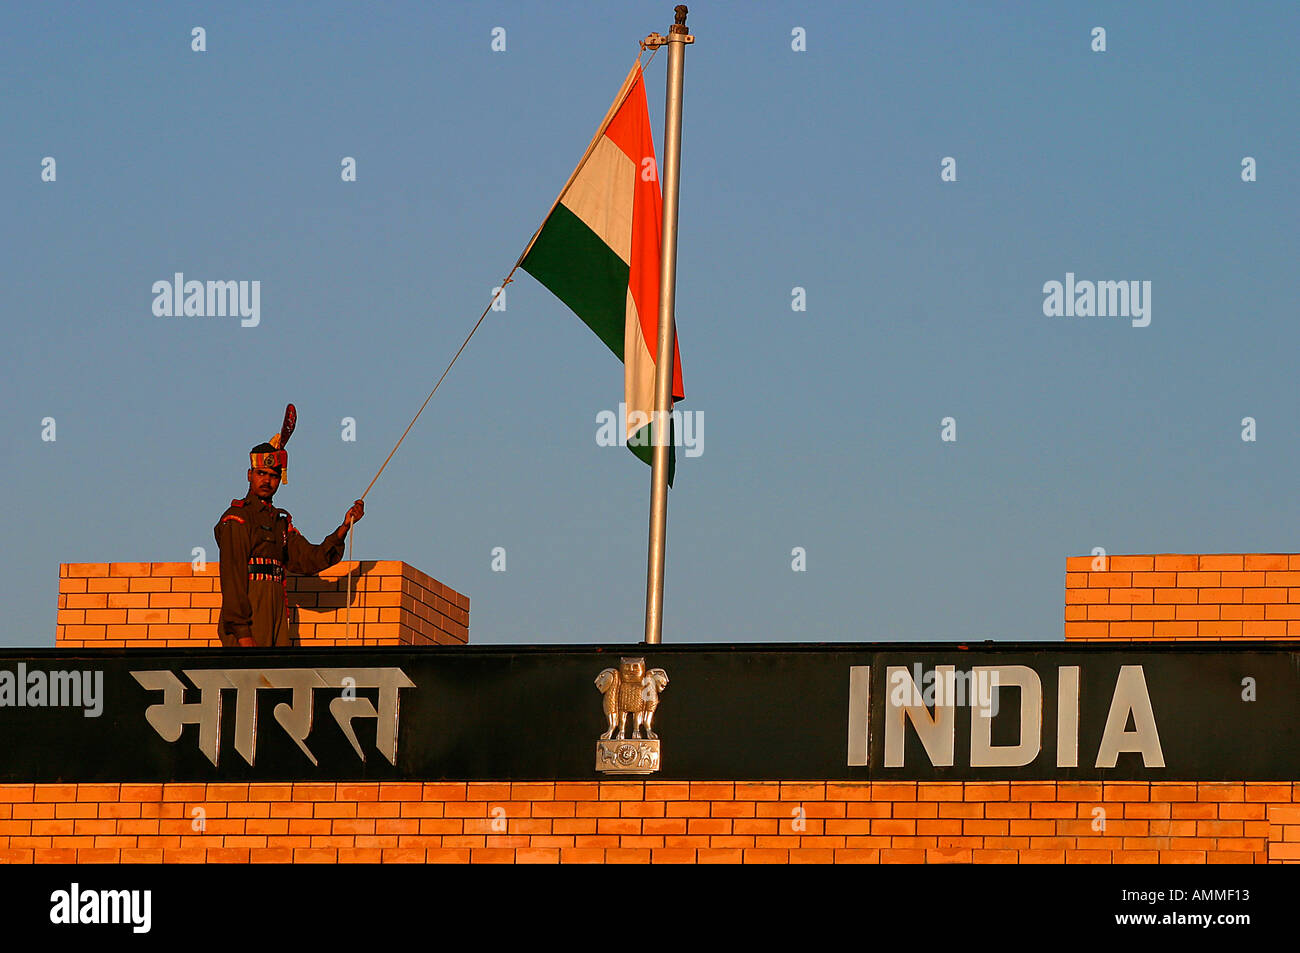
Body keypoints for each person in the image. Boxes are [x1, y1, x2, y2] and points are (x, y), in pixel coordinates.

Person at [214, 412, 364, 647]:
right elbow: (232, 578)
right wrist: (243, 633)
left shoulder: (279, 522)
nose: (267, 480)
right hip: (251, 610)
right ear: (249, 475)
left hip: (276, 607)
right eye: (261, 473)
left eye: (273, 476)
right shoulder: (237, 518)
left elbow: (308, 559)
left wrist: (344, 528)